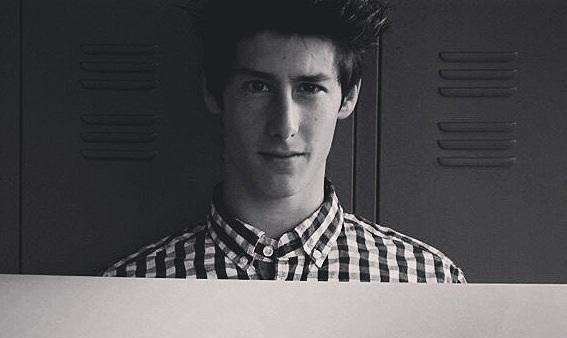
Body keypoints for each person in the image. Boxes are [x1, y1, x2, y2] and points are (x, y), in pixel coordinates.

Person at [103, 0, 466, 282]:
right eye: (257, 87)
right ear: (214, 93)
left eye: (309, 88)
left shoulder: (428, 280)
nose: (284, 125)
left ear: (349, 97)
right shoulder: (130, 287)